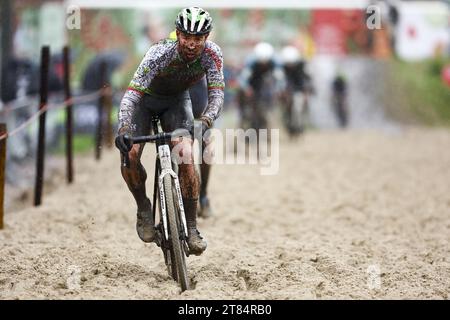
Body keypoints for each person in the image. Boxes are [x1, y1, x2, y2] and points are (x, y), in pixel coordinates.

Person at [114, 7, 225, 255]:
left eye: (198, 39)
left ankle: (192, 227)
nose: (192, 44)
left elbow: (217, 94)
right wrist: (123, 127)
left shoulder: (212, 55)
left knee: (185, 154)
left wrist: (205, 120)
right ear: (177, 34)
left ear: (206, 38)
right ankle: (143, 206)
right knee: (130, 154)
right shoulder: (160, 52)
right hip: (145, 102)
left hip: (176, 101)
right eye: (186, 37)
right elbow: (131, 95)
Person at [237, 42, 284, 130]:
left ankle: (266, 121)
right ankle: (243, 117)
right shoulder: (250, 62)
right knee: (242, 94)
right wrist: (247, 89)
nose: (263, 65)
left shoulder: (275, 62)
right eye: (261, 63)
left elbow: (280, 79)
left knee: (267, 99)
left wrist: (278, 89)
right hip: (252, 82)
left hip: (264, 84)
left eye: (265, 63)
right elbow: (243, 79)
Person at [279, 45, 313, 135]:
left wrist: (307, 91)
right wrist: (282, 91)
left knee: (298, 107)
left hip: (300, 89)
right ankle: (287, 123)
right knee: (284, 106)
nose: (290, 65)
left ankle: (300, 124)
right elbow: (280, 80)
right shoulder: (282, 67)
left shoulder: (303, 65)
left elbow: (308, 79)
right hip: (288, 90)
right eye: (288, 63)